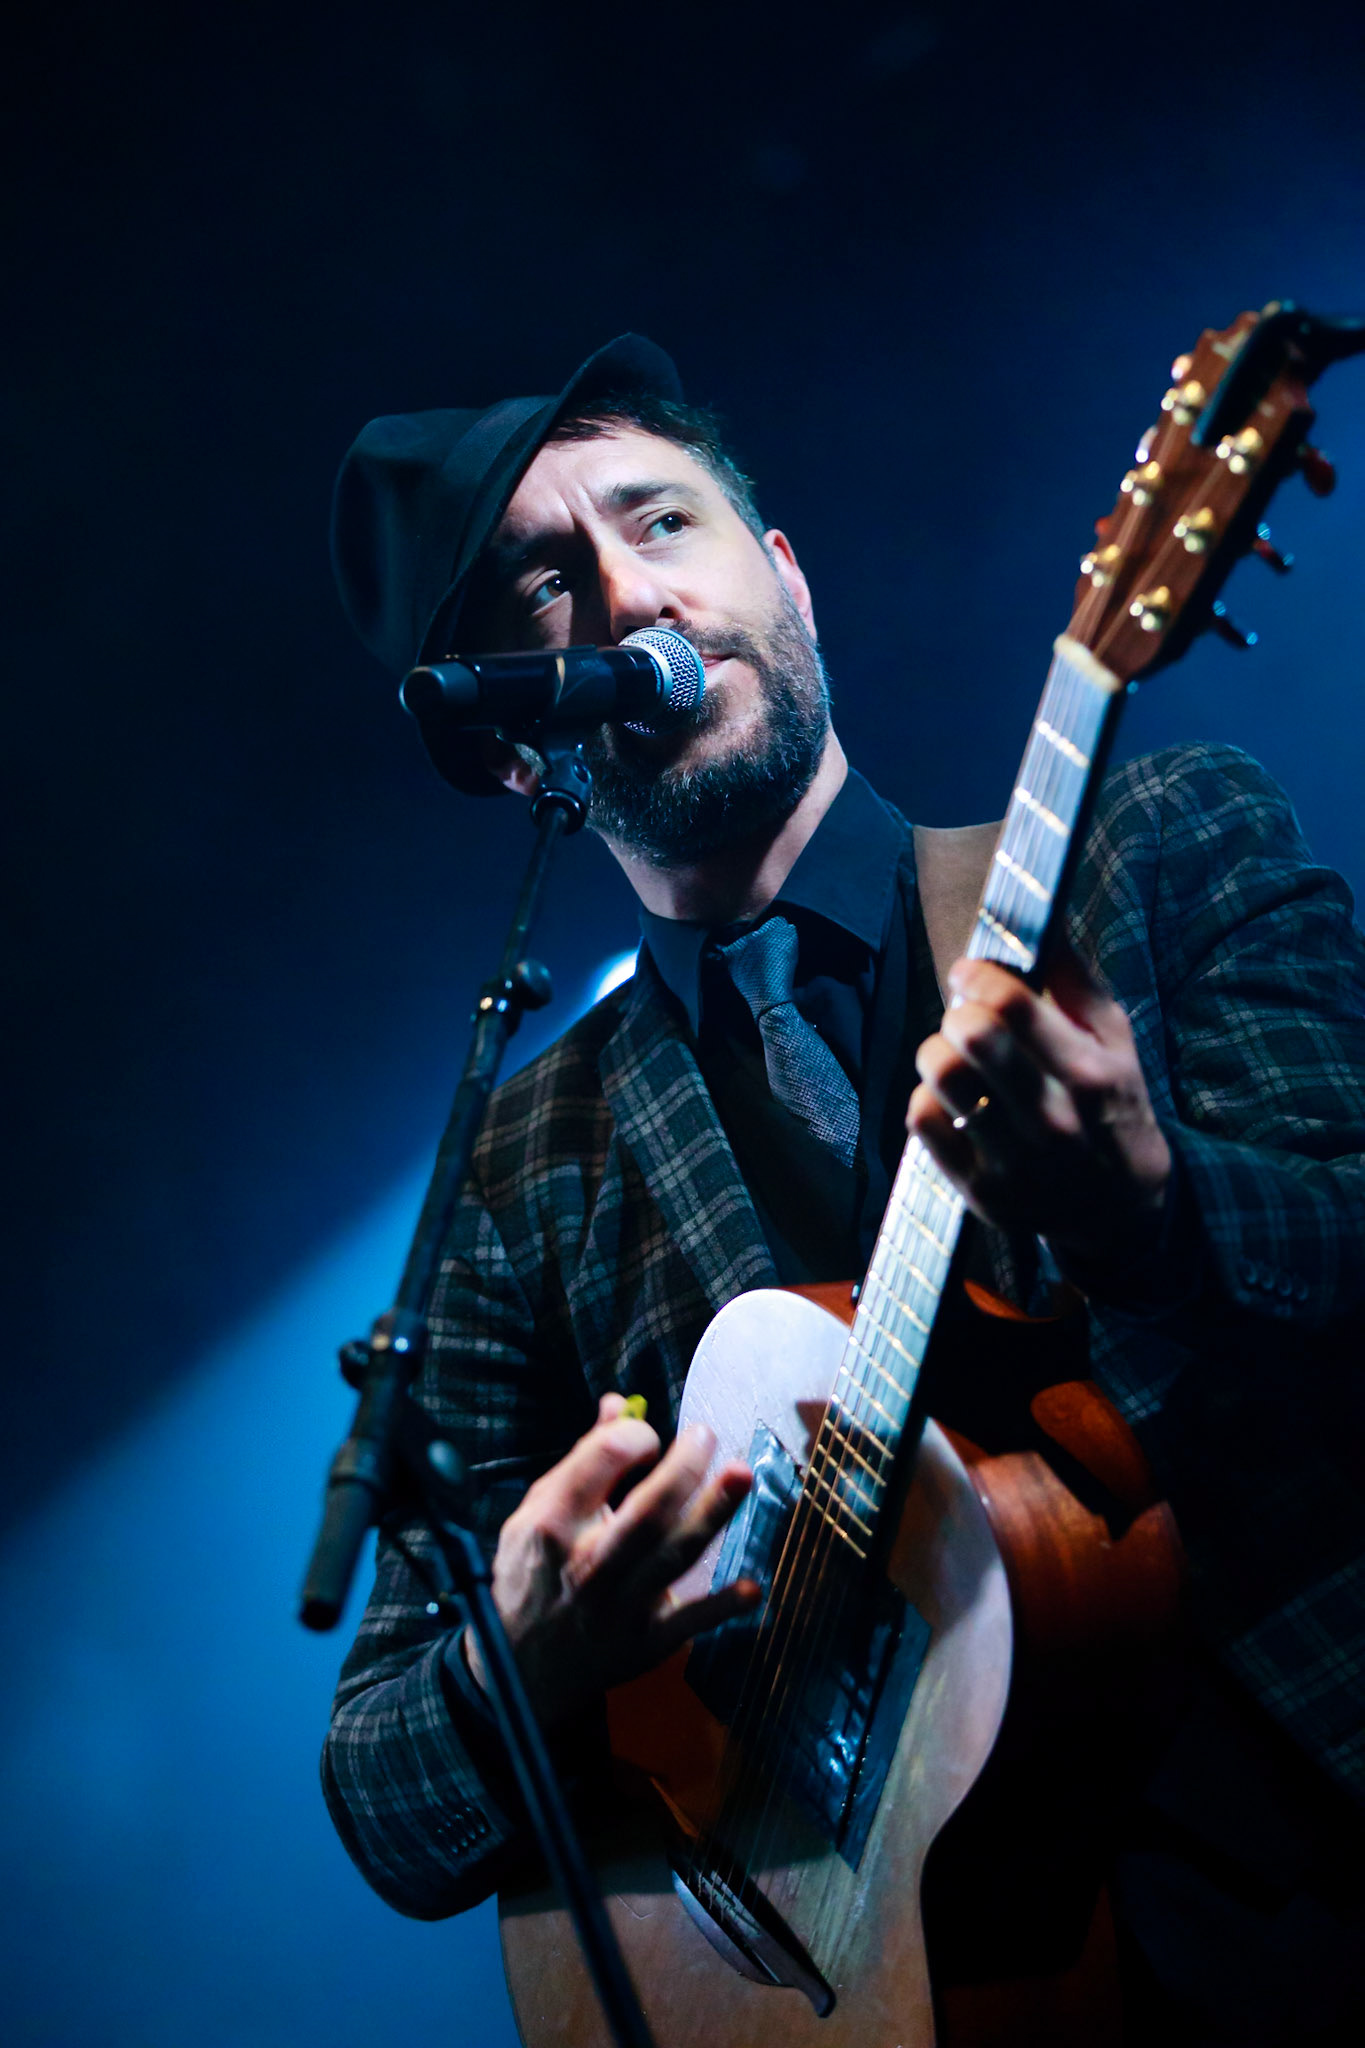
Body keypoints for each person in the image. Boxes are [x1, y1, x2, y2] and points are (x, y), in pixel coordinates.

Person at [323, 335, 1365, 2041]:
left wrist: (1150, 1214)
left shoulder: (1155, 847)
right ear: (519, 751)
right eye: (543, 587)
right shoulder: (522, 1169)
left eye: (663, 521)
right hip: (903, 1981)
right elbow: (381, 1789)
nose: (626, 594)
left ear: (785, 578)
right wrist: (533, 1660)